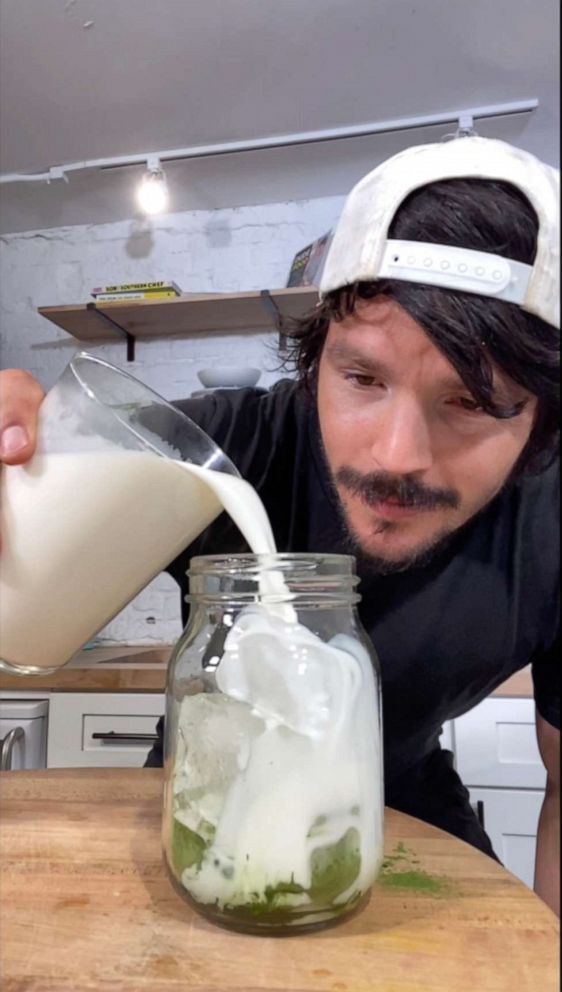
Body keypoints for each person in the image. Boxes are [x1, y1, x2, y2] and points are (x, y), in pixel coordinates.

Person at [0, 135, 559, 915]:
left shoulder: (552, 526)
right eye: (362, 377)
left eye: (470, 401)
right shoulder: (232, 450)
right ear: (316, 359)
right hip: (204, 797)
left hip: (408, 809)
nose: (396, 457)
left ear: (542, 424)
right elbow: (30, 579)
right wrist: (25, 460)